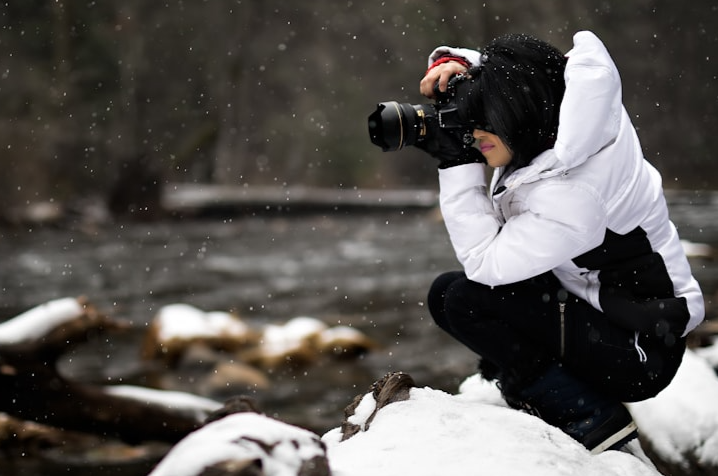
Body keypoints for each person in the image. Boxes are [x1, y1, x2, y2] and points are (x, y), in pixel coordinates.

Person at [414, 31, 705, 453]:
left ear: (518, 114)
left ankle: (587, 414)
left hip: (639, 350)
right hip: (612, 314)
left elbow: (483, 261)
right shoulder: (570, 123)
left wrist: (456, 164)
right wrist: (462, 65)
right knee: (448, 294)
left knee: (464, 299)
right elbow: (533, 74)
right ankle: (540, 383)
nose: (472, 131)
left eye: (482, 118)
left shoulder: (573, 195)